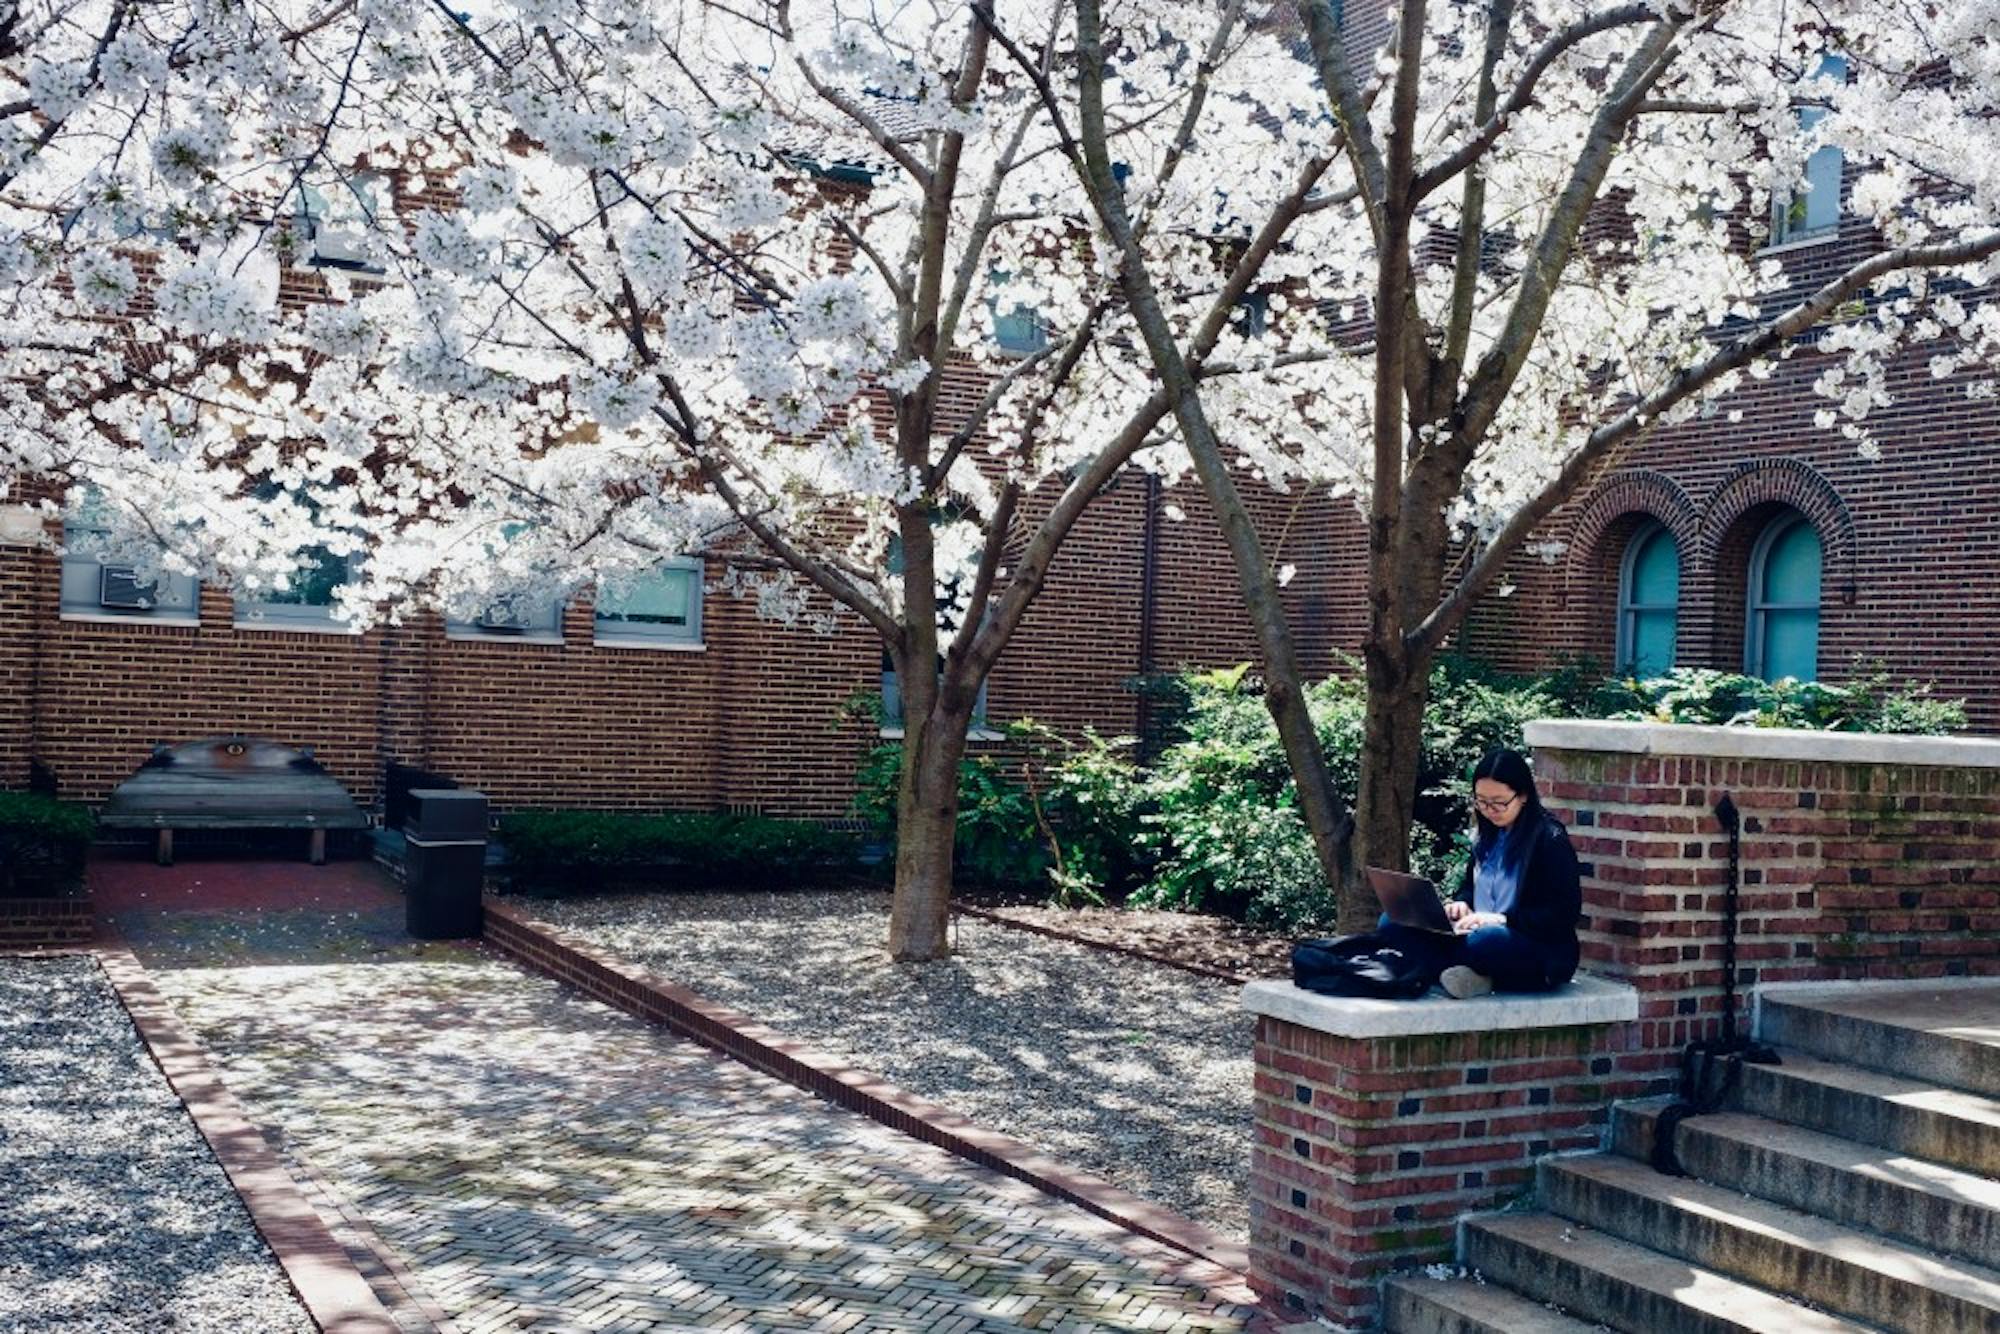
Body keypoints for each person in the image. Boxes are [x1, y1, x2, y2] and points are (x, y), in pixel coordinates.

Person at [1439, 748, 1581, 1000]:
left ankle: (1443, 966)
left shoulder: (1549, 839)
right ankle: (1474, 973)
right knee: (1393, 923)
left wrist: (1501, 920)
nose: (1489, 810)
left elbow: (1563, 914)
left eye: (1499, 802)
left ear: (1523, 795)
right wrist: (1461, 904)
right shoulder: (1486, 834)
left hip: (1529, 944)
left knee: (1485, 940)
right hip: (1474, 932)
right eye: (1481, 801)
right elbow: (1471, 887)